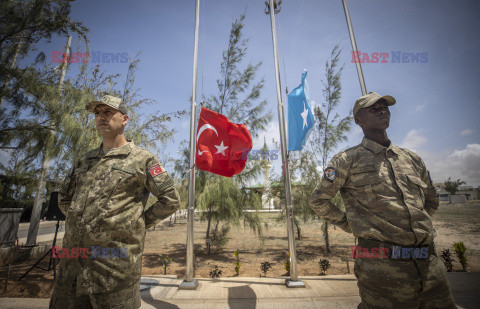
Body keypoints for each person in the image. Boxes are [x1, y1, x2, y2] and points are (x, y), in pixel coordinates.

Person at [310, 92, 456, 308]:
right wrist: (351, 224)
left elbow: (431, 201)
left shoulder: (411, 158)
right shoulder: (346, 160)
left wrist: (413, 224)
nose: (382, 110)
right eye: (373, 108)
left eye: (384, 107)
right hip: (382, 269)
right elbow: (318, 200)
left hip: (430, 265)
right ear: (358, 120)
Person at [50, 95, 181, 309]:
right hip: (71, 269)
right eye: (97, 113)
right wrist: (81, 220)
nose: (101, 117)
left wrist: (134, 224)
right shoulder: (85, 160)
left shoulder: (143, 159)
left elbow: (171, 200)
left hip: (113, 269)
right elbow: (64, 198)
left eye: (108, 112)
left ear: (124, 119)